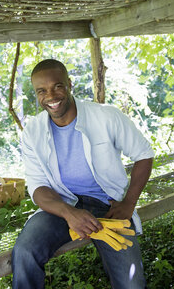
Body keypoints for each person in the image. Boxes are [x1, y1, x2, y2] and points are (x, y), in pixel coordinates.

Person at [12, 59, 154, 289]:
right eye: (42, 91)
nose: (51, 96)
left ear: (69, 84)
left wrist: (129, 202)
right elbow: (37, 187)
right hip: (61, 207)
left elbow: (144, 155)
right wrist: (70, 213)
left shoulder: (107, 116)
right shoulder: (33, 131)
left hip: (109, 207)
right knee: (25, 251)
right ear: (36, 94)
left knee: (132, 284)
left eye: (57, 86)